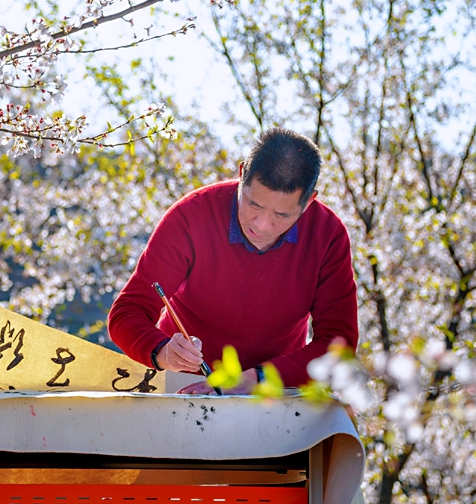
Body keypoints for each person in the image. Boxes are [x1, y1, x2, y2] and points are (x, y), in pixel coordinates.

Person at [107, 127, 358, 394]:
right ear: (241, 176)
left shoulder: (327, 234)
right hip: (184, 385)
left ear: (309, 202)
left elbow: (338, 345)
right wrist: (161, 350)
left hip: (273, 390)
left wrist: (253, 380)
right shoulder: (192, 215)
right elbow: (126, 312)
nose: (262, 225)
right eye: (253, 204)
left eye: (281, 215)